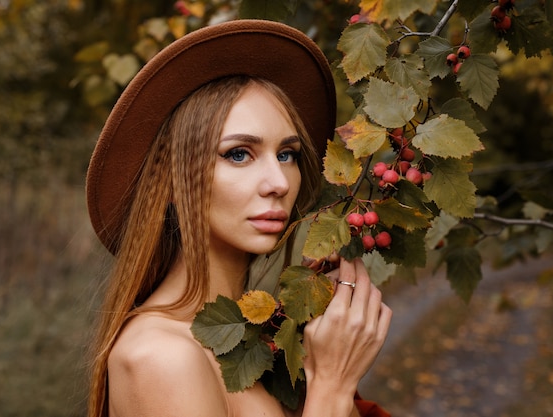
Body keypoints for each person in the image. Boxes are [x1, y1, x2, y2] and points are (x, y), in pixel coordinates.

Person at [85, 19, 392, 417]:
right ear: (175, 181)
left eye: (287, 154)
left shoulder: (256, 345)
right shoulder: (159, 356)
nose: (279, 182)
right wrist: (332, 387)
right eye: (239, 154)